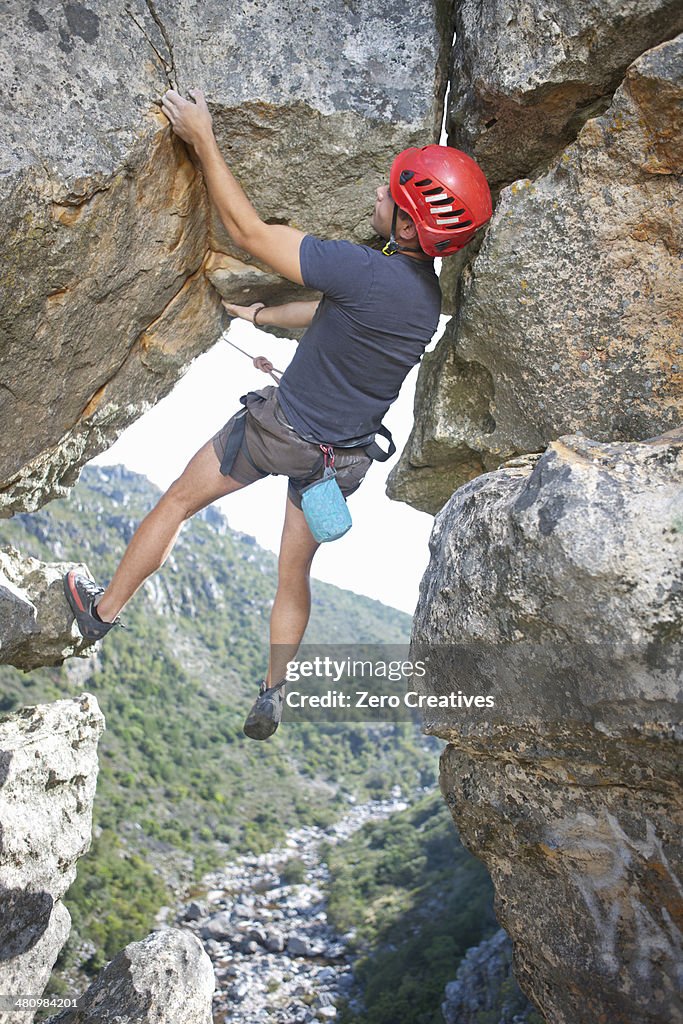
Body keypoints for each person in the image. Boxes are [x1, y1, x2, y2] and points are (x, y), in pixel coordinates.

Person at [64, 88, 492, 741]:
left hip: (275, 434)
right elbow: (328, 315)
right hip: (337, 462)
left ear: (408, 225)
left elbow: (248, 233)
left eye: (389, 197)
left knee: (177, 501)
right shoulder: (422, 300)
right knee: (292, 574)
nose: (375, 197)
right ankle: (272, 691)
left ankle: (101, 610)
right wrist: (260, 316)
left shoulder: (357, 267)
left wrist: (200, 136)